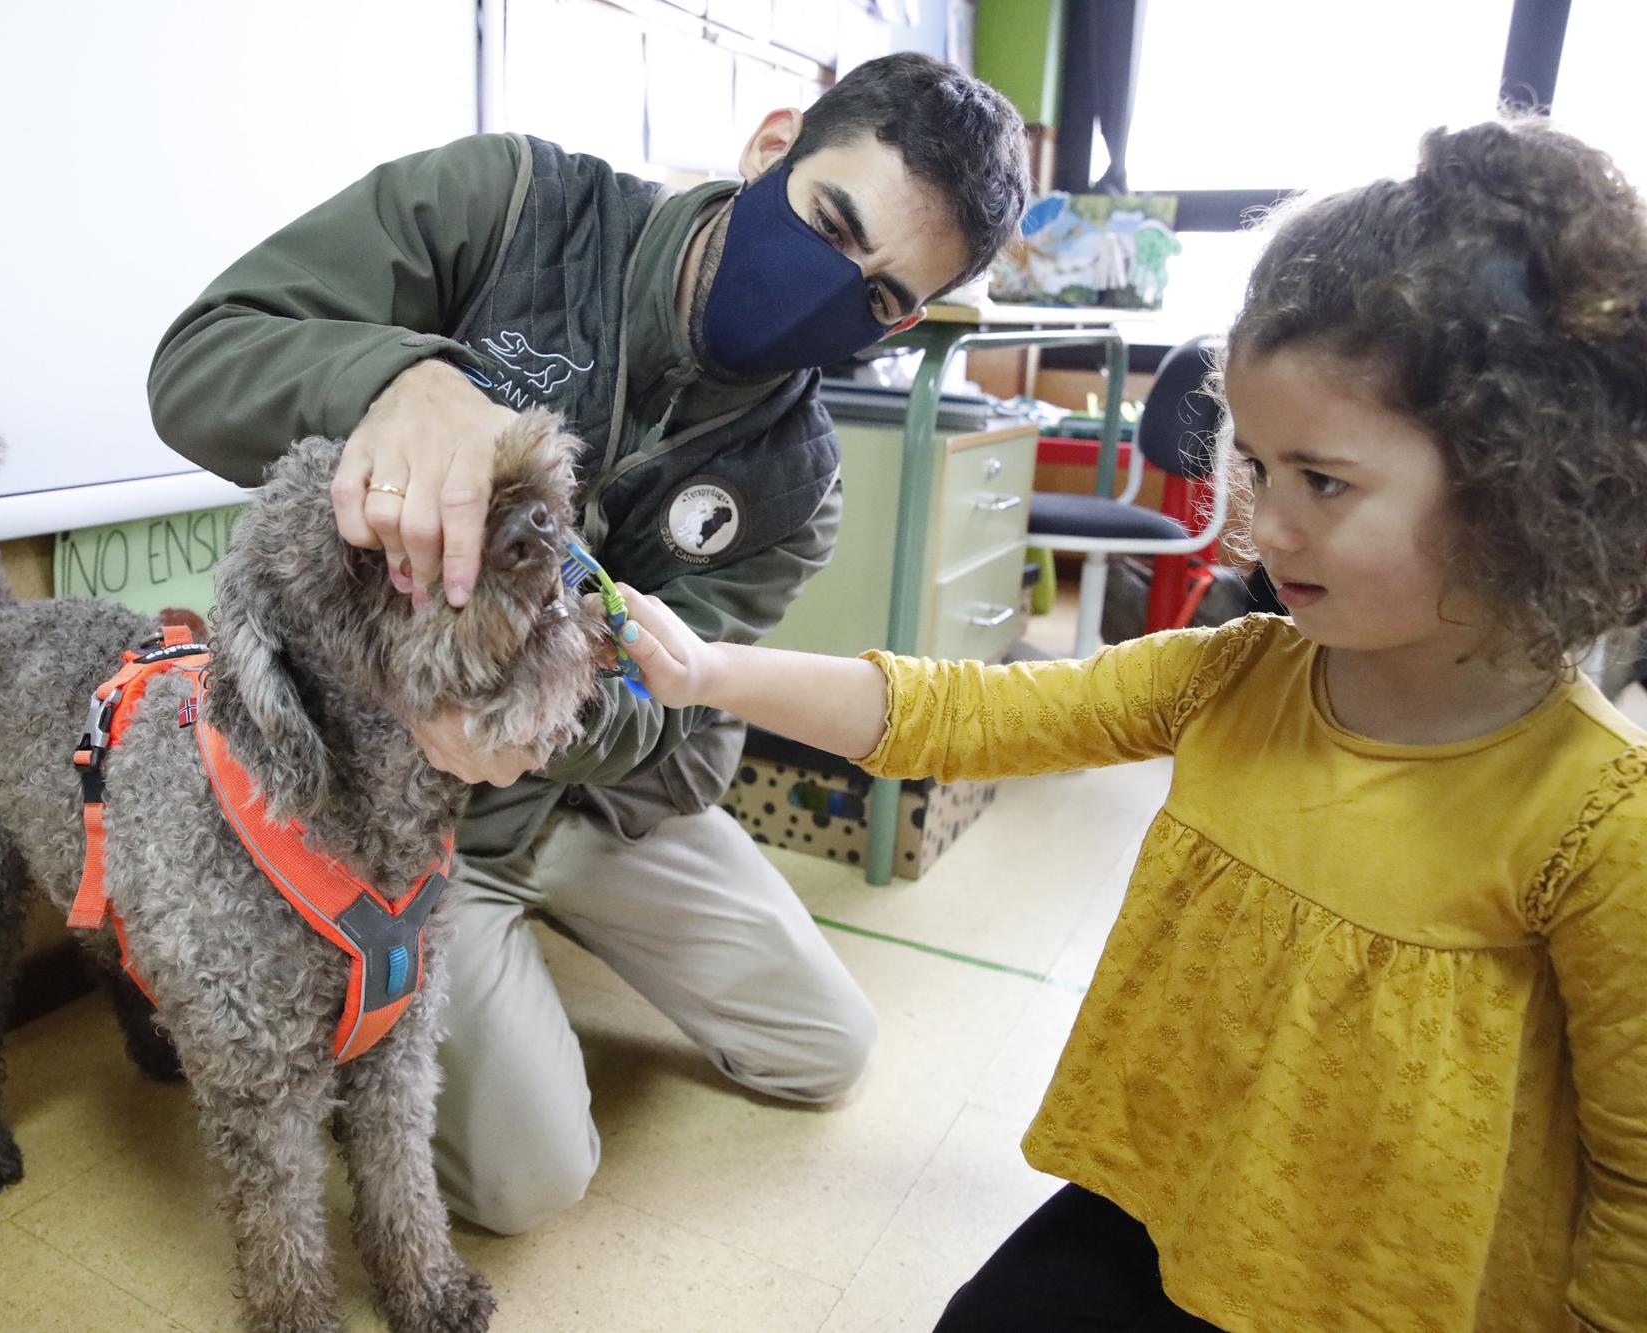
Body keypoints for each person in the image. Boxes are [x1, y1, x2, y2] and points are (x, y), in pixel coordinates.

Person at [609, 116, 1647, 1331]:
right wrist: (710, 669)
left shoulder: (1593, 825)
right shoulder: (1233, 675)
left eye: (1323, 481)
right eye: (1252, 464)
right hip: (1162, 1203)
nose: (1261, 524)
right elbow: (968, 710)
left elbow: (1632, 1189)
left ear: (1513, 488)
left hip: (1383, 1289)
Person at [147, 52, 1031, 1234]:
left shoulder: (795, 478)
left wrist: (543, 721)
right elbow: (199, 356)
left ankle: (532, 926)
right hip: (395, 804)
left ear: (909, 319)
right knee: (525, 1185)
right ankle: (397, 978)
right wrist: (392, 379)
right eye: (828, 223)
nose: (831, 290)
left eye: (876, 298)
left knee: (825, 1048)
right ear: (773, 146)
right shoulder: (505, 206)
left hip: (591, 799)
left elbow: (670, 698)